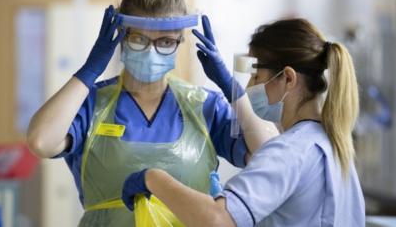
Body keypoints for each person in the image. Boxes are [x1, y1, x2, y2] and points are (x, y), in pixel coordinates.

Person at [26, 0, 263, 226]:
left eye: (165, 42)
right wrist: (90, 70)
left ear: (179, 42)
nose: (151, 51)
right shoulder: (92, 104)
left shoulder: (204, 106)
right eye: (139, 39)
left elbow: (270, 156)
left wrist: (231, 87)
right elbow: (41, 141)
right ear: (120, 37)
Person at [121, 17, 366, 226]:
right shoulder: (331, 145)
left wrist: (152, 179)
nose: (249, 88)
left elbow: (218, 220)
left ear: (288, 79)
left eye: (256, 76)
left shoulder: (290, 151)